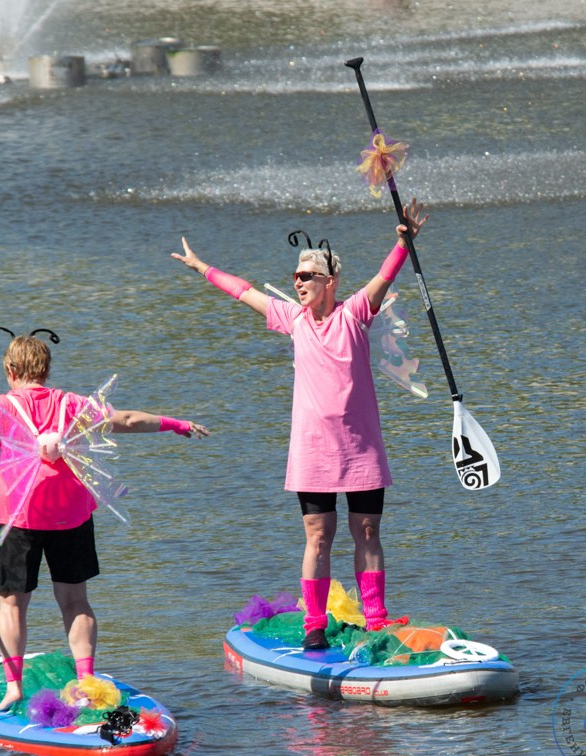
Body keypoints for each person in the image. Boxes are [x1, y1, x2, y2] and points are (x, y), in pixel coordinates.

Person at [0, 333, 209, 711]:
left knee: (12, 605)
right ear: (46, 370)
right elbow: (125, 419)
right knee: (75, 601)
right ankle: (87, 680)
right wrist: (176, 423)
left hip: (15, 519)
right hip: (71, 515)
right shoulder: (72, 404)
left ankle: (13, 688)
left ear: (11, 370)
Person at [171, 199, 427, 650]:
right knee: (318, 535)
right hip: (313, 448)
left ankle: (376, 618)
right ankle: (314, 622)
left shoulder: (354, 314)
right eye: (295, 276)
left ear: (330, 282)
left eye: (306, 275)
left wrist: (403, 242)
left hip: (360, 446)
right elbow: (243, 290)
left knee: (367, 531)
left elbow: (384, 277)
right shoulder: (293, 319)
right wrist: (201, 267)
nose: (298, 281)